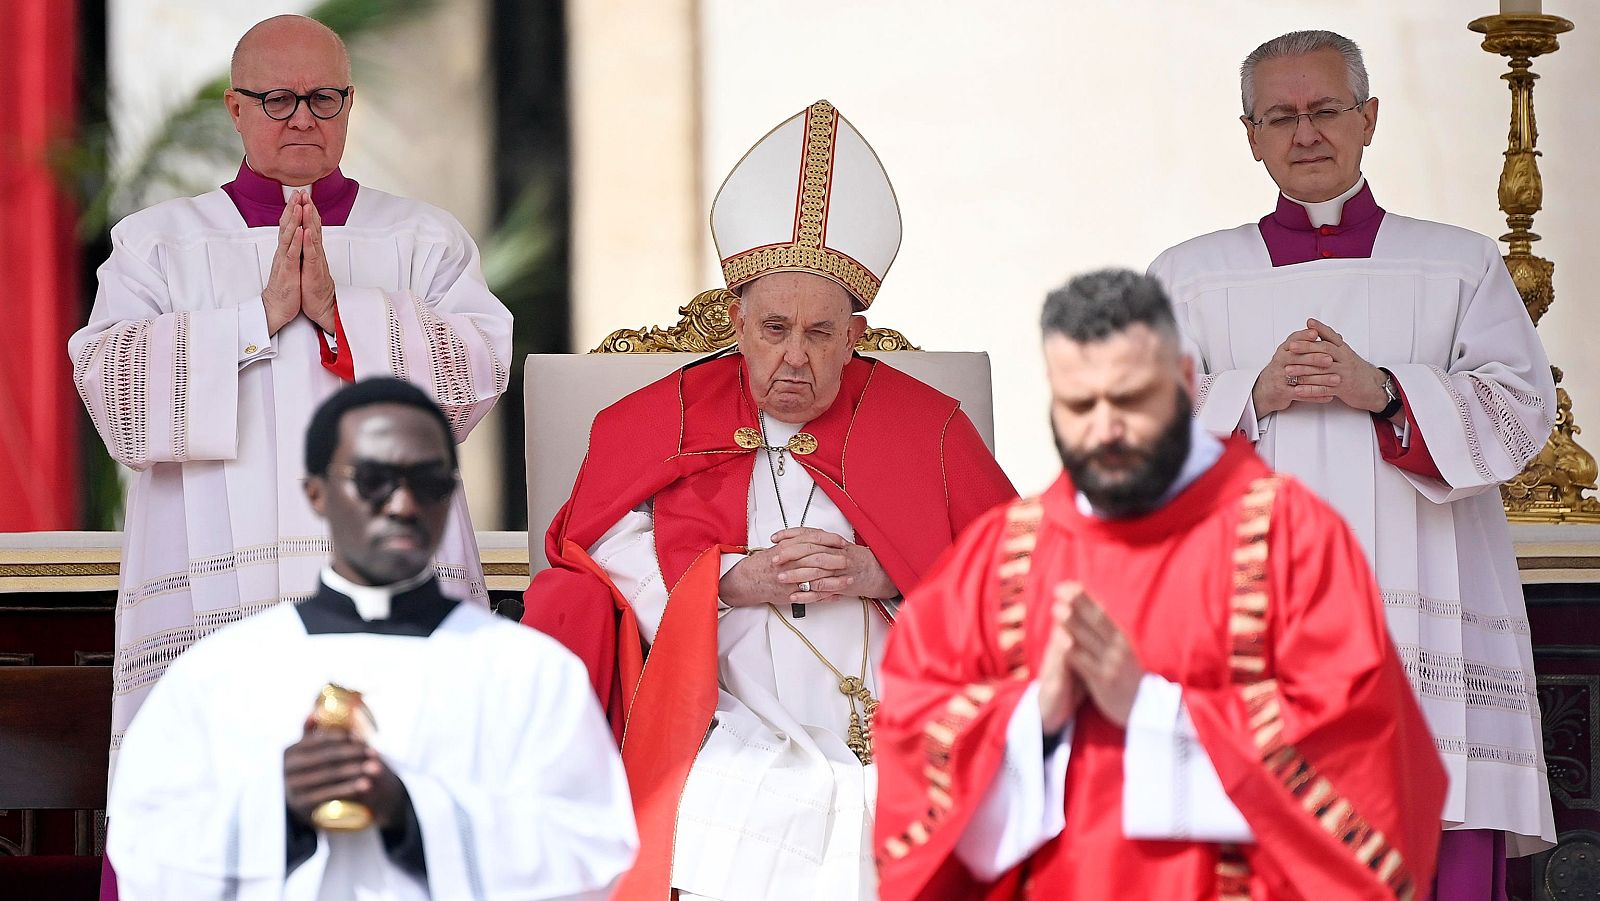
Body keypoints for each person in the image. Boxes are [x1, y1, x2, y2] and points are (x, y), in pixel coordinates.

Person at [523, 99, 1017, 900]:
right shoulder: (661, 418)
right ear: (737, 320)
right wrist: (726, 580)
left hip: (891, 694)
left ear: (856, 335)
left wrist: (887, 571)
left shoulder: (925, 426)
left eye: (821, 333)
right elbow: (592, 550)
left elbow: (1014, 571)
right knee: (738, 796)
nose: (795, 359)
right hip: (723, 697)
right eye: (774, 327)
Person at [874, 269, 1447, 899]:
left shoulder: (1291, 543)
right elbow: (912, 747)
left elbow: (1366, 760)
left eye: (1130, 399)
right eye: (1080, 405)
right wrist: (1037, 718)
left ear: (1181, 383)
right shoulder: (1002, 558)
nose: (1106, 430)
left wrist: (1149, 709)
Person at [1146, 29, 1557, 890]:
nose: (1306, 135)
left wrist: (1388, 391)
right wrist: (1247, 397)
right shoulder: (1188, 277)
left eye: (1327, 110)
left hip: (1424, 631)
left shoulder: (1457, 262)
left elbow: (1523, 411)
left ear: (1369, 119)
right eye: (1281, 117)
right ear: (1251, 135)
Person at [68, 14, 511, 769]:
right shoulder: (158, 243)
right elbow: (115, 392)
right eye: (277, 98)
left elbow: (475, 377)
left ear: (348, 104)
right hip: (215, 582)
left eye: (323, 98)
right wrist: (257, 319)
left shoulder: (422, 239)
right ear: (236, 108)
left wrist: (345, 315)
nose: (303, 116)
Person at [106, 378, 636, 900]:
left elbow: (594, 854)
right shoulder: (223, 671)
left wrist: (411, 813)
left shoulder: (527, 671)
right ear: (317, 492)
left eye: (428, 480)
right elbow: (145, 858)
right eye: (374, 479)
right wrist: (277, 807)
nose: (403, 504)